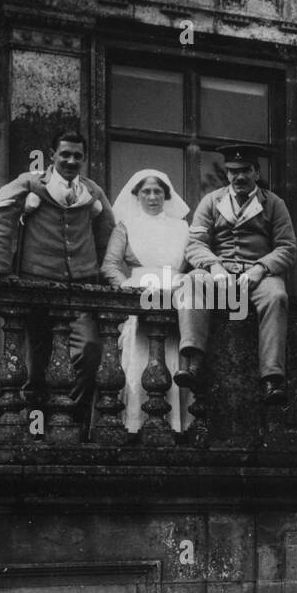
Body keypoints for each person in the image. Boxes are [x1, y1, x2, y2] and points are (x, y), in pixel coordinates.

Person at [0, 129, 114, 433]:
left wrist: (107, 278)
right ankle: (37, 431)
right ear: (52, 154)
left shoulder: (93, 192)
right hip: (36, 289)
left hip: (79, 292)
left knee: (90, 351)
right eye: (65, 154)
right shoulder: (29, 183)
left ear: (84, 158)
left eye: (77, 156)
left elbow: (110, 235)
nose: (71, 161)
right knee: (35, 366)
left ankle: (70, 421)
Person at [179, 144, 295, 407]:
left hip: (259, 275)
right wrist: (214, 265)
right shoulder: (211, 201)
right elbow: (194, 244)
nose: (238, 177)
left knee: (277, 296)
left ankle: (272, 378)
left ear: (256, 172)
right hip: (220, 271)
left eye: (245, 171)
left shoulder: (274, 204)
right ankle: (193, 360)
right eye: (233, 171)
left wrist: (261, 268)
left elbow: (287, 248)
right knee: (192, 281)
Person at [101, 169, 190, 432]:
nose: (152, 197)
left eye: (158, 191)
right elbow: (110, 265)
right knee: (140, 357)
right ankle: (137, 426)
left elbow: (195, 260)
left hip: (175, 295)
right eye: (146, 192)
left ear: (166, 195)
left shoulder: (183, 227)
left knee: (174, 357)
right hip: (140, 295)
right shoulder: (126, 226)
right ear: (137, 195)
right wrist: (129, 288)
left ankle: (176, 427)